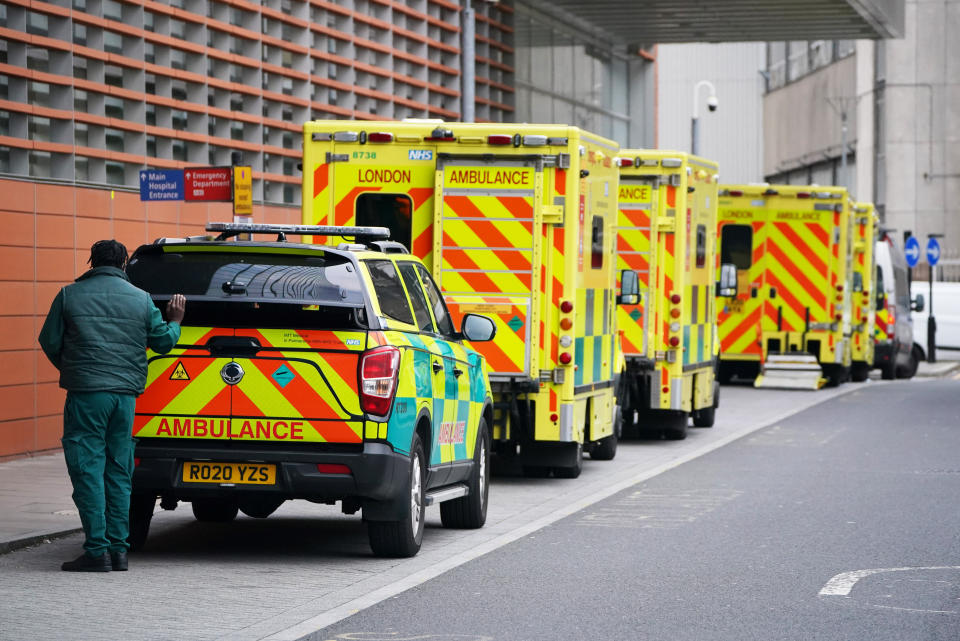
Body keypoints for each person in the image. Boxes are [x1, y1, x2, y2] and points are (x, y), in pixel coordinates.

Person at [38, 240, 185, 572]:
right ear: (123, 265)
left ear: (91, 262)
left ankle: (96, 552)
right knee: (118, 471)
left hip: (87, 394)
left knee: (87, 470)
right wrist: (175, 320)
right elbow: (163, 342)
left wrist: (75, 369)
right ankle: (119, 551)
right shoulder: (141, 299)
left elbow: (49, 341)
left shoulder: (68, 295)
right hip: (125, 397)